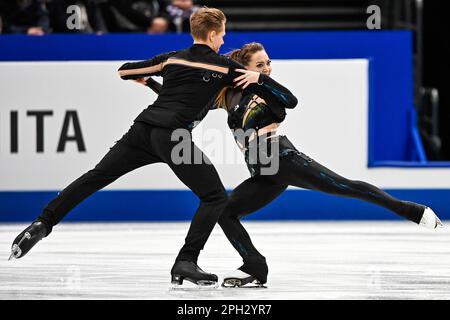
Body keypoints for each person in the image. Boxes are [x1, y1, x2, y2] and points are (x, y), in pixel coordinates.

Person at [9, 8, 290, 287]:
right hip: (174, 137)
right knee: (215, 197)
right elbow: (287, 99)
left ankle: (43, 223)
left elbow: (124, 71)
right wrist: (260, 78)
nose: (223, 41)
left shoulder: (171, 59)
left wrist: (148, 80)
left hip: (142, 131)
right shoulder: (224, 66)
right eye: (223, 36)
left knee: (97, 176)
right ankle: (186, 261)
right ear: (214, 34)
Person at [143, 42, 444, 288]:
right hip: (262, 172)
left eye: (268, 63)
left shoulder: (265, 88)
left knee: (346, 188)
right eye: (259, 65)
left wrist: (261, 78)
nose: (267, 68)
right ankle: (255, 266)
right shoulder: (228, 96)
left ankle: (411, 210)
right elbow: (189, 105)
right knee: (224, 211)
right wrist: (152, 84)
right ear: (243, 67)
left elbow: (292, 100)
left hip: (282, 158)